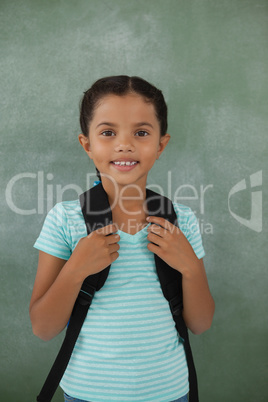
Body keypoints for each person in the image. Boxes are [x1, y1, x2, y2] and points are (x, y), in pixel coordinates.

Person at [30, 75, 215, 402]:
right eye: (108, 132)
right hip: (87, 393)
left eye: (141, 133)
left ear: (161, 144)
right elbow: (43, 329)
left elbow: (200, 324)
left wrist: (191, 268)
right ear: (87, 144)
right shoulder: (66, 219)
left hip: (170, 391)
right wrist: (76, 269)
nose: (124, 144)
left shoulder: (180, 220)